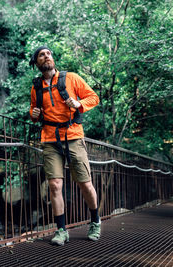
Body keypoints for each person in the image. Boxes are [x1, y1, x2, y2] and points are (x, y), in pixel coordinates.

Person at [29, 46, 101, 246]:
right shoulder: (36, 87)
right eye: (42, 55)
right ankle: (61, 230)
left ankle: (95, 221)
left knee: (85, 183)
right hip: (50, 139)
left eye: (49, 54)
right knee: (54, 185)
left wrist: (79, 104)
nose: (47, 56)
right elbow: (35, 110)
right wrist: (33, 114)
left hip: (74, 136)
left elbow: (93, 97)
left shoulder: (71, 78)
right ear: (37, 62)